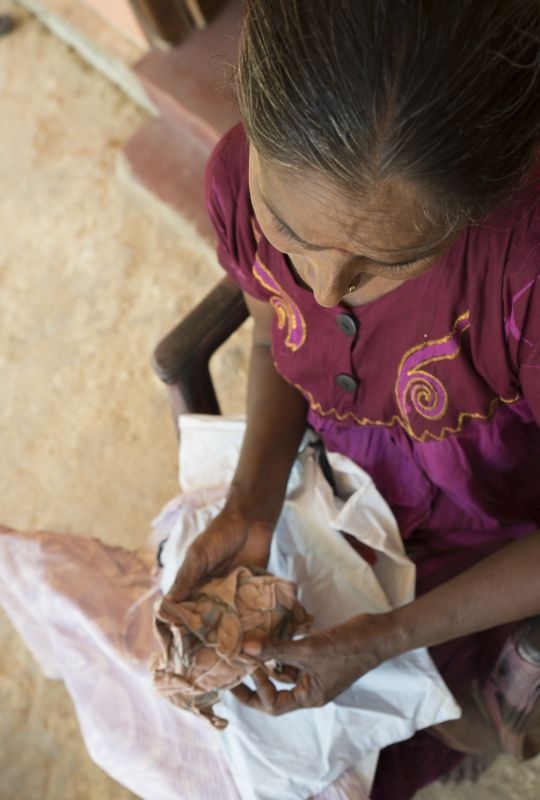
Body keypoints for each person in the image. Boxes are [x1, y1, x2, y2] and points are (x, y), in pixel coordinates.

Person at [167, 1, 540, 796]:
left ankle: (480, 717)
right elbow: (276, 334)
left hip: (498, 533)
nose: (326, 290)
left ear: (487, 201)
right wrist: (251, 502)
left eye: (386, 262)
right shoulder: (236, 173)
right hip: (342, 476)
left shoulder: (525, 284)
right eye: (288, 234)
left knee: (377, 751)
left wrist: (387, 638)